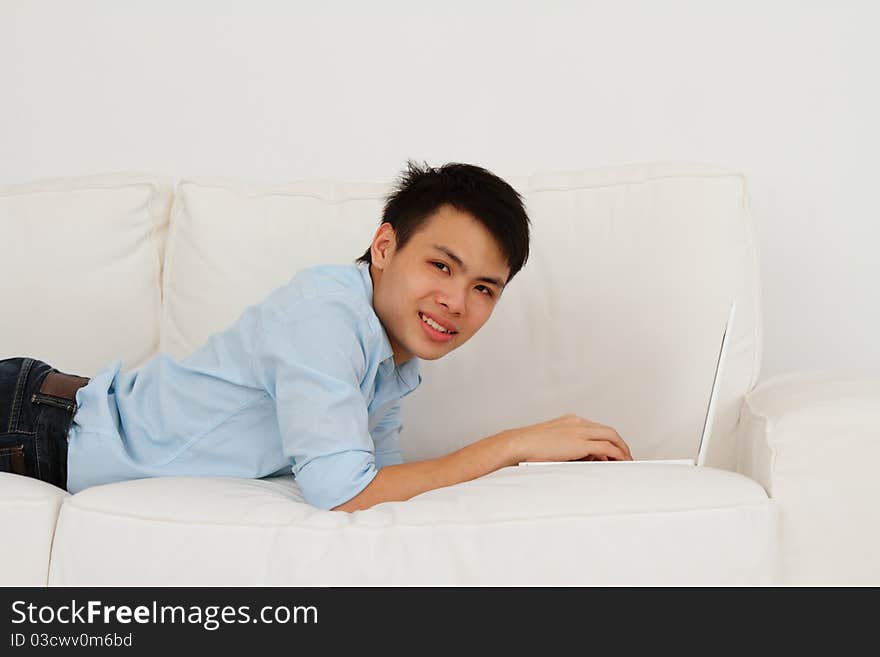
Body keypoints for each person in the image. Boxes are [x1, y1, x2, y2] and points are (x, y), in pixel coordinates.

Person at [0, 160, 632, 512]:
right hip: (37, 426)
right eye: (441, 265)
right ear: (385, 247)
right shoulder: (326, 318)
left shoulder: (390, 360)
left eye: (484, 288)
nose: (456, 302)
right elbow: (343, 493)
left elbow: (377, 483)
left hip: (52, 416)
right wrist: (515, 444)